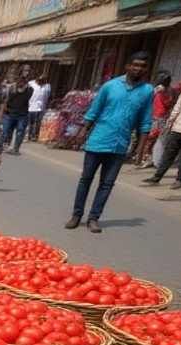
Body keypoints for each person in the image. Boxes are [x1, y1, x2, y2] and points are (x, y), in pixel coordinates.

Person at [67, 52, 155, 233]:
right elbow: (94, 111)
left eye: (143, 66)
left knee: (107, 183)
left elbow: (145, 120)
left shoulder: (147, 91)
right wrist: (83, 131)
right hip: (98, 140)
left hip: (120, 145)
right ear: (128, 66)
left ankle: (93, 218)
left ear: (147, 68)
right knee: (86, 179)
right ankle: (77, 215)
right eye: (135, 64)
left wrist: (141, 147)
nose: (139, 68)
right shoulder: (110, 86)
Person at [135, 72, 172, 170]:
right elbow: (167, 103)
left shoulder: (156, 89)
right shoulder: (161, 89)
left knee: (152, 139)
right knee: (152, 139)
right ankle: (145, 158)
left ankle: (147, 158)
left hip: (156, 115)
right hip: (158, 116)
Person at [0, 72, 33, 154]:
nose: (21, 82)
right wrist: (3, 112)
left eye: (24, 80)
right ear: (16, 80)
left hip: (22, 115)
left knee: (20, 131)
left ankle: (16, 148)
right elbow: (4, 102)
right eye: (20, 80)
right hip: (9, 114)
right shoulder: (10, 89)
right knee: (5, 130)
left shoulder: (29, 89)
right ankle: (1, 146)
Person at [28, 75, 50, 143]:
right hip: (30, 106)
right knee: (29, 122)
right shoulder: (31, 84)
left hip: (40, 107)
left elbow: (47, 96)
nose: (42, 83)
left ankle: (34, 135)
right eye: (41, 81)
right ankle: (28, 135)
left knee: (37, 123)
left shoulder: (47, 86)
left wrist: (46, 107)